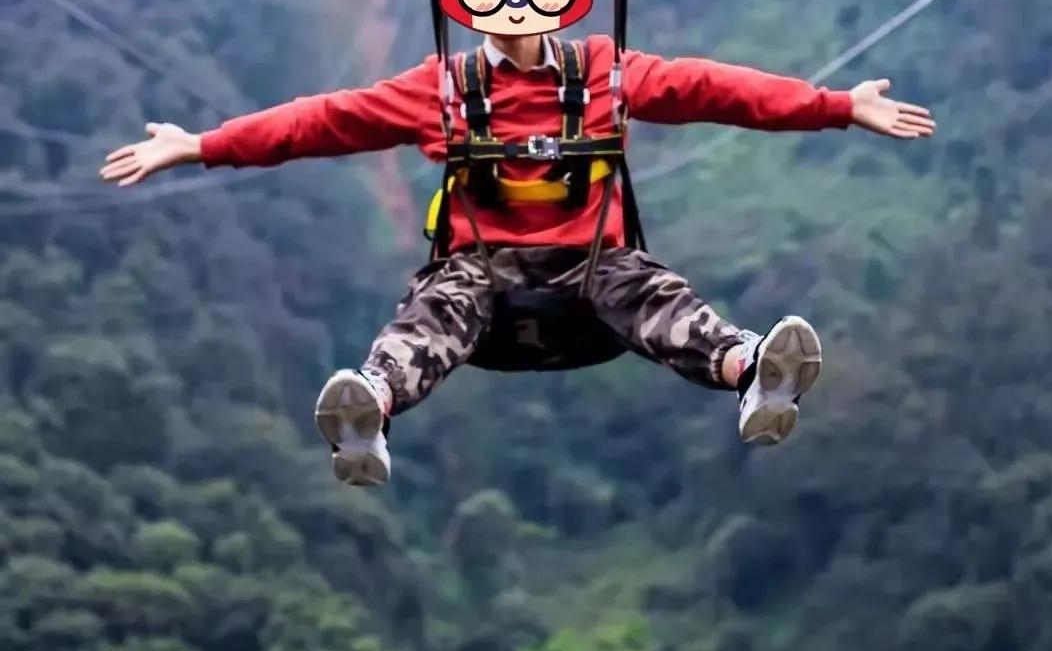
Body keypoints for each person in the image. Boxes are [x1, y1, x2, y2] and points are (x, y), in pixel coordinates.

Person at [100, 24, 935, 488]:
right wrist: (203, 146)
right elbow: (322, 120)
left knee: (648, 290)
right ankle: (370, 415)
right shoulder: (443, 89)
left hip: (589, 276)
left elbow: (710, 88)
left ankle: (751, 369)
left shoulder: (605, 72)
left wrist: (832, 106)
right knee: (440, 306)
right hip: (484, 279)